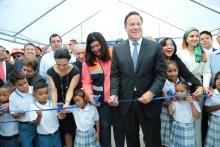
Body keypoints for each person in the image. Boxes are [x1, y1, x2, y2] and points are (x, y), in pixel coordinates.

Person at [110, 11, 166, 147]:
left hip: (149, 102)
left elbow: (161, 74)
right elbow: (115, 74)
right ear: (125, 27)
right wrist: (114, 93)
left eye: (138, 24)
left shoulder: (154, 47)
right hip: (127, 103)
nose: (135, 27)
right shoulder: (117, 48)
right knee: (131, 141)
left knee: (153, 140)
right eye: (131, 24)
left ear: (142, 25)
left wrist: (151, 92)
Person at [82, 32, 125, 147]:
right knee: (104, 130)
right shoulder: (87, 61)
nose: (95, 49)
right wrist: (90, 96)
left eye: (97, 45)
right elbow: (86, 82)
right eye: (92, 47)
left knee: (119, 128)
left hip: (117, 99)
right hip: (100, 102)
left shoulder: (114, 53)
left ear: (103, 43)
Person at [177, 27, 212, 147]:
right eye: (191, 36)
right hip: (183, 87)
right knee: (183, 117)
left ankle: (197, 144)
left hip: (199, 88)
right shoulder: (179, 53)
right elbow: (180, 72)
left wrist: (205, 86)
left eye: (197, 36)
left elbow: (207, 71)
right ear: (186, 38)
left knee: (197, 119)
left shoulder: (205, 52)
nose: (195, 38)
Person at [47, 49, 79, 147]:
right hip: (57, 99)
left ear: (69, 60)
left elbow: (70, 90)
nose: (61, 67)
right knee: (59, 127)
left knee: (69, 129)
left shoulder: (75, 71)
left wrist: (67, 103)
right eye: (58, 64)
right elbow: (53, 90)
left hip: (70, 100)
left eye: (64, 64)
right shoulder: (50, 72)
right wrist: (54, 105)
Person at [28, 82, 62, 147]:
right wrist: (39, 116)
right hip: (43, 137)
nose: (44, 95)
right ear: (34, 95)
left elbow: (60, 117)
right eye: (41, 94)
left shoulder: (53, 103)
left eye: (46, 93)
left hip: (56, 134)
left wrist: (62, 111)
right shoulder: (32, 107)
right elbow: (36, 124)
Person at [168, 81, 201, 147]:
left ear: (188, 92)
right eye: (177, 91)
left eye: (182, 91)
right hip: (176, 126)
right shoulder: (175, 102)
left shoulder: (193, 102)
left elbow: (197, 116)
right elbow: (171, 113)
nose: (179, 93)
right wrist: (170, 102)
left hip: (187, 128)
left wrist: (192, 104)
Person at [8, 70, 36, 147]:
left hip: (39, 123)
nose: (24, 86)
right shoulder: (13, 97)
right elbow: (14, 116)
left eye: (25, 82)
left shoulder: (35, 90)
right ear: (14, 85)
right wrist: (20, 113)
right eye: (20, 85)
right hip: (25, 126)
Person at [160, 60, 180, 147]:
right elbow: (162, 99)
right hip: (165, 112)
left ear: (178, 70)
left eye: (175, 70)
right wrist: (166, 100)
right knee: (166, 132)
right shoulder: (163, 84)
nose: (173, 73)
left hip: (178, 112)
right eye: (169, 71)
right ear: (165, 72)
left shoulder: (181, 82)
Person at [0, 82, 19, 147]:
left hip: (14, 136)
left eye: (4, 95)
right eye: (0, 95)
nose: (1, 97)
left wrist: (10, 106)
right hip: (2, 136)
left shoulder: (16, 104)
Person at [204, 71, 220, 146]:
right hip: (215, 121)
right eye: (217, 79)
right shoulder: (211, 93)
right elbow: (207, 109)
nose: (219, 81)